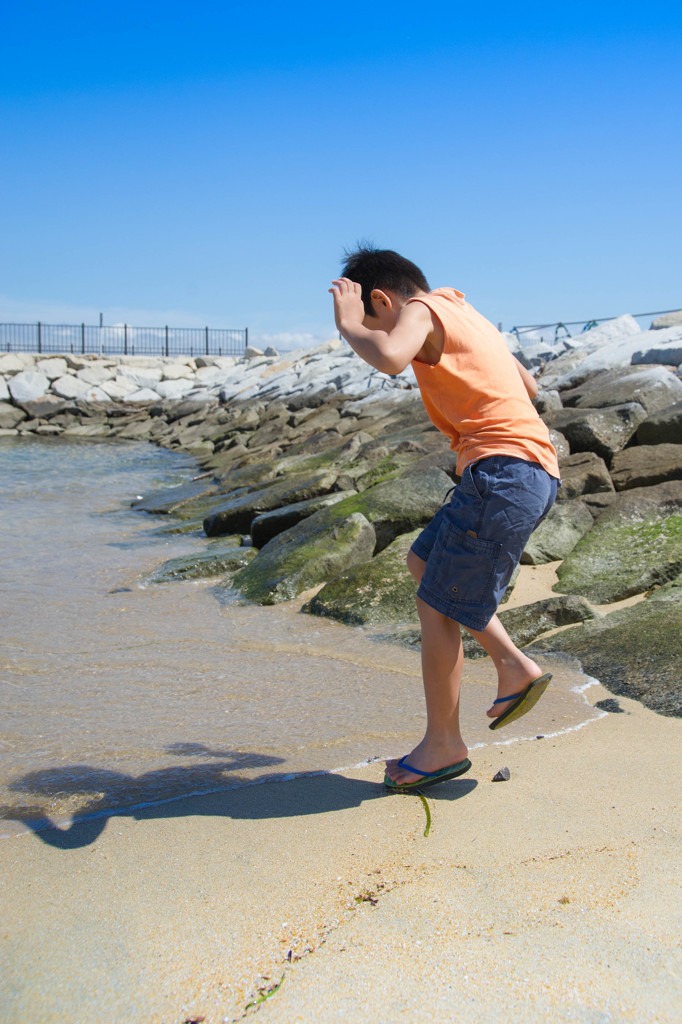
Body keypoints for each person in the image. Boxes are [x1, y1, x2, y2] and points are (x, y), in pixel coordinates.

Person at [329, 244, 560, 791]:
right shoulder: (464, 309)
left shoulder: (421, 310)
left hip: (501, 472)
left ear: (383, 300)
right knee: (422, 562)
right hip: (529, 470)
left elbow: (388, 357)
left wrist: (346, 324)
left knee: (436, 602)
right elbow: (527, 386)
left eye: (371, 316)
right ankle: (510, 663)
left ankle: (443, 746)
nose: (377, 330)